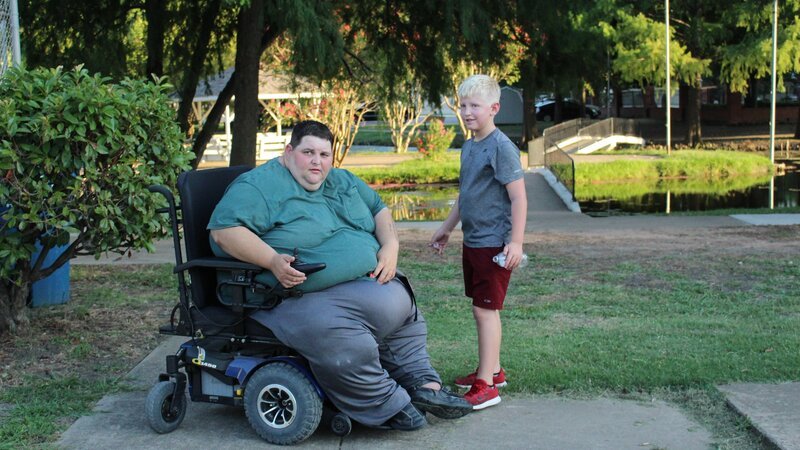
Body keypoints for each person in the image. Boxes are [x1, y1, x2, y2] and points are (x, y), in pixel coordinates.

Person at [207, 120, 472, 431]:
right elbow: (224, 232)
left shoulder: (339, 180)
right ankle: (385, 404)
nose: (317, 162)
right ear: (289, 151)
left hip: (362, 286)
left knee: (405, 317)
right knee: (344, 339)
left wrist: (391, 245)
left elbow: (378, 208)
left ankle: (425, 387)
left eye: (324, 154)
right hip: (287, 297)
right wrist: (272, 261)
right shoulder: (258, 187)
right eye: (308, 152)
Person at [430, 74, 527, 410]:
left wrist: (516, 243)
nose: (467, 112)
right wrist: (447, 228)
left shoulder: (501, 147)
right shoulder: (470, 146)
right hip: (473, 241)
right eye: (463, 105)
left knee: (485, 310)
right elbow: (466, 194)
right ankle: (493, 371)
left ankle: (486, 386)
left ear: (494, 108)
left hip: (494, 244)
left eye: (475, 106)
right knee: (482, 309)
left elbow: (519, 198)